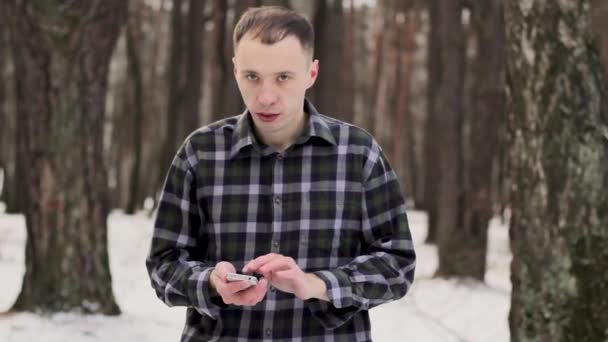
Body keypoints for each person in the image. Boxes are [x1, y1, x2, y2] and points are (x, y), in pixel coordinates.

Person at [146, 6, 416, 341]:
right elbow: (163, 264)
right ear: (235, 71)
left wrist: (316, 285)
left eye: (283, 77)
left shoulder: (359, 154)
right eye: (252, 76)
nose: (266, 96)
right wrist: (211, 283)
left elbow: (398, 265)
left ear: (311, 74)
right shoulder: (200, 153)